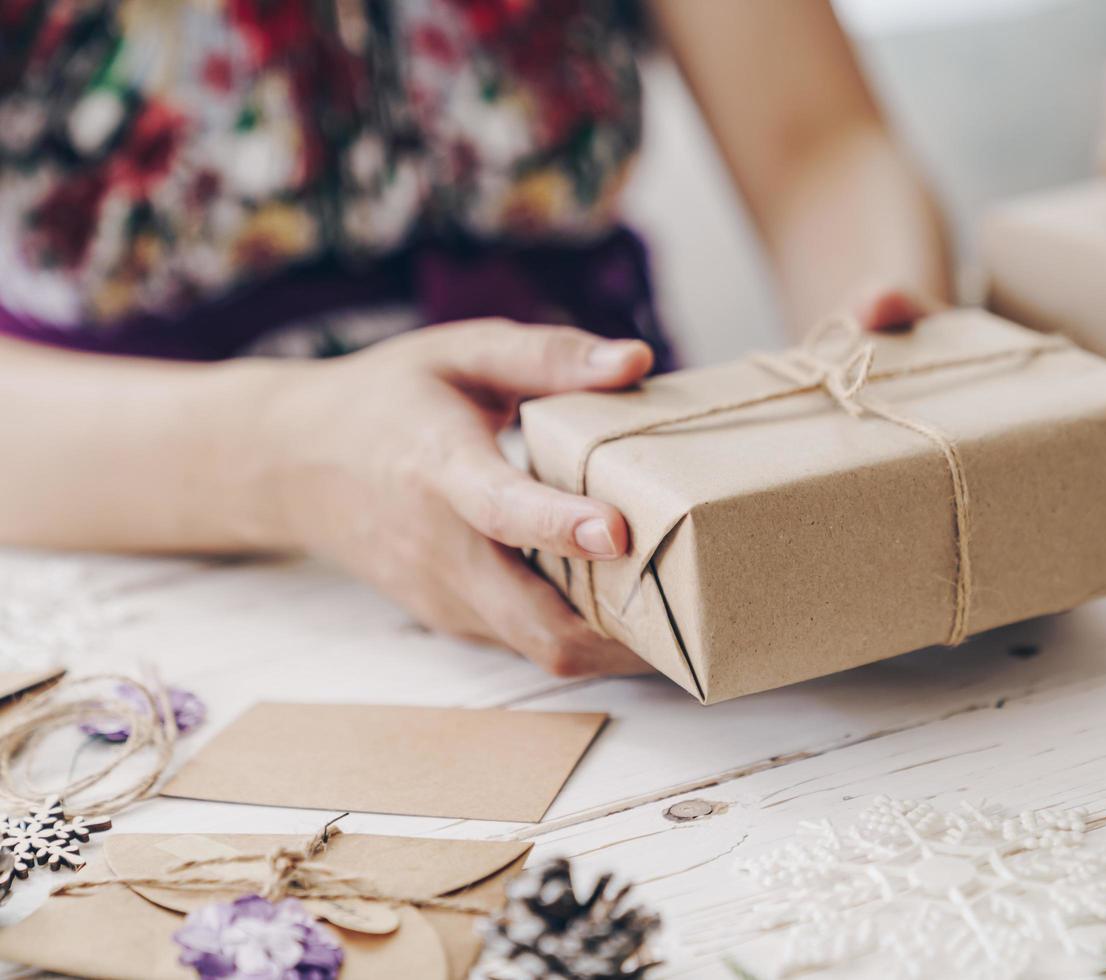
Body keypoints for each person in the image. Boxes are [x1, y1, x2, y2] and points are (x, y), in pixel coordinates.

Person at [0, 0, 951, 678]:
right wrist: (290, 449)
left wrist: (876, 360)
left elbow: (815, 143)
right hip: (133, 527)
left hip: (617, 500)